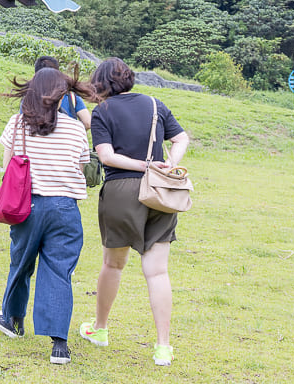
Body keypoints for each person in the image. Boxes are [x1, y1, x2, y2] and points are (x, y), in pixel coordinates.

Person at [79, 57, 189, 367]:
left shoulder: (102, 111)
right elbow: (180, 138)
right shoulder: (155, 104)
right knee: (158, 271)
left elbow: (107, 156)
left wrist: (142, 165)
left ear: (100, 83)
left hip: (121, 192)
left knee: (113, 265)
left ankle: (100, 330)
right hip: (159, 191)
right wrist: (169, 163)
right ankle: (163, 347)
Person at [0, 67, 93, 365]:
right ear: (63, 95)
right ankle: (59, 344)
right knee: (59, 270)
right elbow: (83, 167)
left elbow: (7, 165)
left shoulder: (18, 124)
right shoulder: (76, 128)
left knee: (21, 263)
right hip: (65, 209)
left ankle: (13, 319)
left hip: (28, 207)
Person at [35, 55, 91, 130]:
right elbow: (87, 122)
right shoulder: (70, 94)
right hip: (68, 137)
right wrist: (75, 132)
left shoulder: (30, 96)